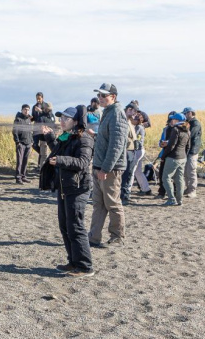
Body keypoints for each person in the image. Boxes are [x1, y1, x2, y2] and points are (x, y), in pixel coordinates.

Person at [39, 106, 95, 277]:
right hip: (64, 188)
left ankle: (85, 267)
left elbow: (83, 162)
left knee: (76, 227)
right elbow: (58, 150)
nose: (61, 121)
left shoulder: (85, 138)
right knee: (65, 226)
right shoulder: (66, 136)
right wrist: (49, 138)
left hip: (78, 188)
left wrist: (61, 160)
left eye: (66, 118)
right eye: (61, 118)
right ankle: (73, 262)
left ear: (76, 121)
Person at [89, 83, 129, 248]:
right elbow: (108, 139)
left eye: (103, 95)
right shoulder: (108, 112)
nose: (100, 98)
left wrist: (105, 168)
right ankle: (93, 237)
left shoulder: (117, 114)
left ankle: (117, 237)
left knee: (113, 203)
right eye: (99, 95)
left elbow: (116, 146)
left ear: (113, 96)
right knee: (98, 204)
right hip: (100, 166)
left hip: (110, 169)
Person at [160, 113, 191, 206]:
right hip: (183, 157)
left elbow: (171, 145)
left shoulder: (176, 129)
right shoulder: (188, 131)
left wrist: (163, 156)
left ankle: (171, 198)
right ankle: (179, 200)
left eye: (172, 119)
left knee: (166, 178)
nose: (171, 121)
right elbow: (188, 146)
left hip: (173, 157)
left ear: (177, 120)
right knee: (180, 179)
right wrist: (185, 156)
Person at [120, 103, 140, 204]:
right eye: (134, 112)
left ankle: (126, 195)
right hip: (126, 151)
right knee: (125, 174)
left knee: (129, 174)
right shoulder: (122, 120)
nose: (135, 115)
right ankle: (123, 196)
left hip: (131, 151)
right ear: (129, 109)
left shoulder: (129, 121)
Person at [182, 107, 202, 197]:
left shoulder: (195, 123)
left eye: (186, 113)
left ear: (190, 113)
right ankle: (188, 188)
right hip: (187, 149)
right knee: (186, 170)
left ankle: (192, 190)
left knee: (191, 170)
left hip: (192, 150)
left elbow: (190, 134)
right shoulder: (188, 122)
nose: (185, 115)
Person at [32, 101, 56, 171]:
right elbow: (40, 128)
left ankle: (49, 169)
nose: (49, 110)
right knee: (44, 155)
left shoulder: (52, 116)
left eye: (50, 109)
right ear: (45, 108)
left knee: (53, 154)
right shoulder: (41, 117)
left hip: (52, 138)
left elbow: (53, 124)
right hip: (44, 139)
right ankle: (42, 169)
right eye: (47, 108)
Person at [13, 104, 34, 183]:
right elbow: (14, 131)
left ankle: (23, 176)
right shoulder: (18, 119)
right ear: (22, 110)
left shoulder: (29, 119)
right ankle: (18, 178)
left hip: (28, 143)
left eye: (28, 110)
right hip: (21, 143)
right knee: (20, 161)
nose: (27, 111)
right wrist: (17, 142)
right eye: (25, 109)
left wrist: (32, 141)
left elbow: (30, 131)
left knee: (25, 160)